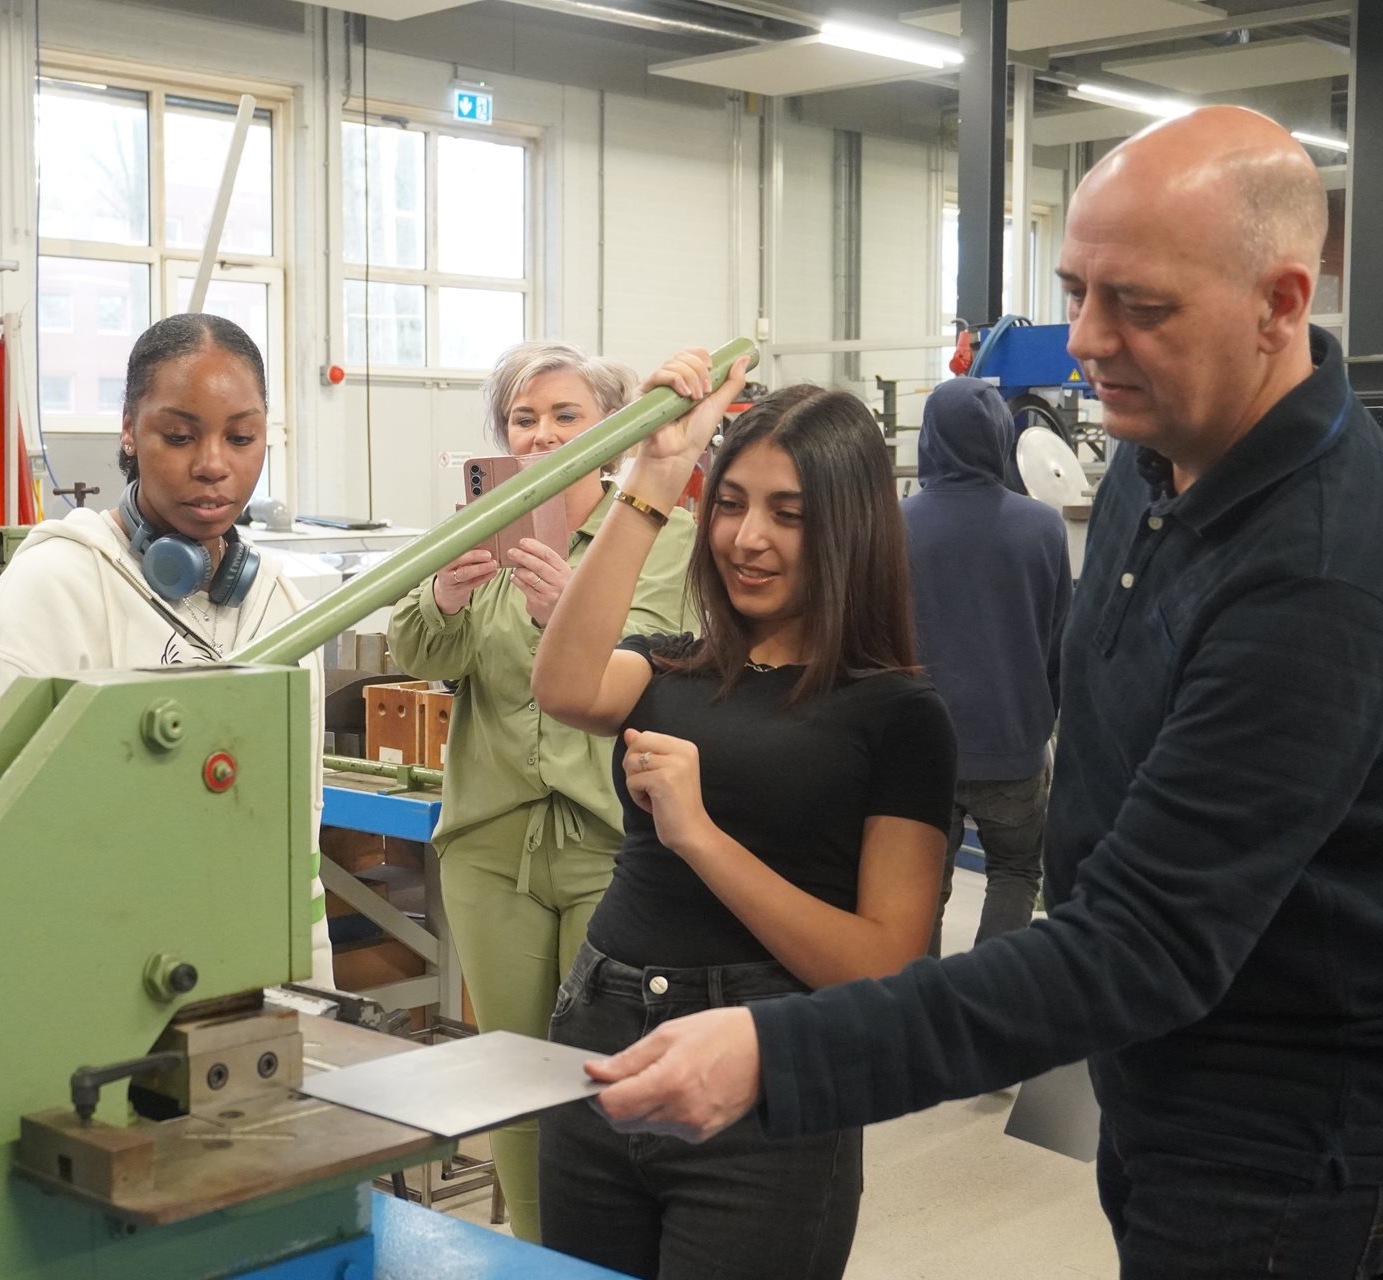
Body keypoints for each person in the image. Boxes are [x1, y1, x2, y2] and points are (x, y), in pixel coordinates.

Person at [577, 107, 1383, 1279]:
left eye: (1138, 305)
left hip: (1290, 1143)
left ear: (1280, 302)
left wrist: (782, 1050)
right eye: (1074, 291)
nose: (1084, 342)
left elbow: (1144, 940)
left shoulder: (1317, 570)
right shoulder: (1155, 462)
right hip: (1158, 1085)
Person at [529, 371, 956, 1279]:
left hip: (766, 1073)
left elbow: (887, 965)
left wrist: (701, 837)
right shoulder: (676, 664)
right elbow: (561, 684)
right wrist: (656, 470)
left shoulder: (896, 715)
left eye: (788, 515)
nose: (746, 539)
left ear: (849, 528)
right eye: (728, 504)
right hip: (601, 1040)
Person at [385, 341, 697, 1243]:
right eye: (524, 418)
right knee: (514, 1074)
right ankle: (533, 1249)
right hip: (490, 842)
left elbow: (668, 658)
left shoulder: (657, 536)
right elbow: (418, 651)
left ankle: (604, 1249)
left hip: (607, 841)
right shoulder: (473, 528)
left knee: (601, 1075)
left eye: (565, 416)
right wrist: (443, 591)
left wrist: (573, 609)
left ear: (609, 435)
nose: (541, 434)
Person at [0, 314, 333, 986]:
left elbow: (298, 834)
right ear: (129, 430)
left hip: (253, 962)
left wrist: (311, 981)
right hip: (96, 967)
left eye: (241, 437)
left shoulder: (277, 603)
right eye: (180, 436)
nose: (214, 464)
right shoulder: (56, 589)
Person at [905, 377, 1071, 954]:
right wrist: (1038, 719)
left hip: (922, 750)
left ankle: (918, 1010)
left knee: (921, 883)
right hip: (1013, 745)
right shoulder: (1043, 527)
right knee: (1016, 872)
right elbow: (1059, 644)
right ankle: (983, 1012)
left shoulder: (894, 526)